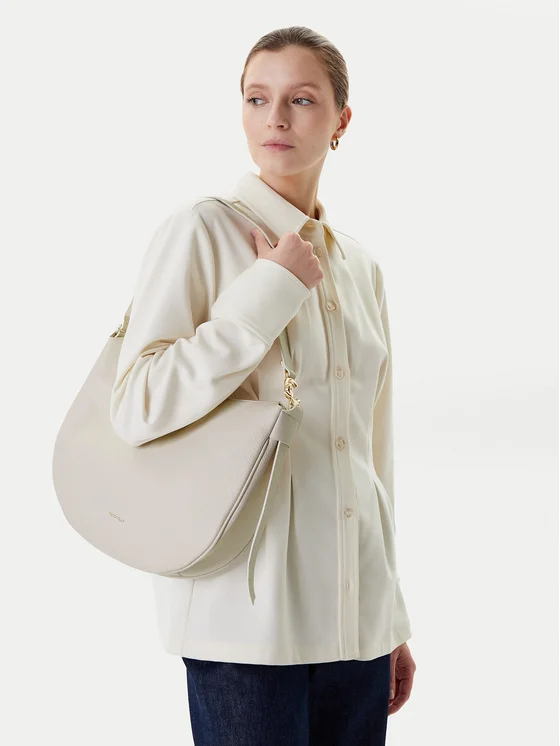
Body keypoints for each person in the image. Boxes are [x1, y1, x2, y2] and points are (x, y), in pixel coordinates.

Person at [110, 24, 416, 746]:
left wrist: (389, 618)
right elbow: (137, 403)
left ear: (341, 120)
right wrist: (268, 291)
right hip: (243, 626)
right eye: (257, 98)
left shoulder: (359, 267)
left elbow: (370, 455)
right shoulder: (202, 230)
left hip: (355, 627)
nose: (275, 117)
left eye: (300, 99)